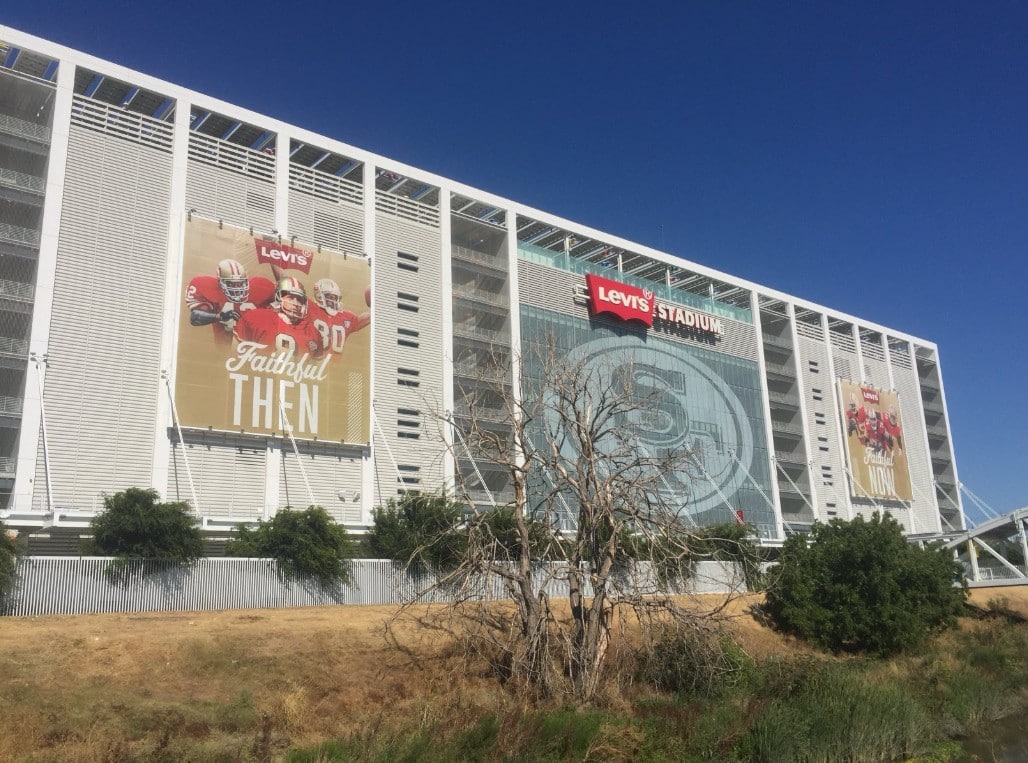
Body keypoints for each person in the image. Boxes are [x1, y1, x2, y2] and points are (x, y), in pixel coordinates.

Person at [186, 259, 276, 344]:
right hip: (226, 348)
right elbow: (195, 318)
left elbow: (283, 299)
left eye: (240, 283)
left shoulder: (261, 287)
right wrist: (219, 316)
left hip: (258, 347)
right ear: (219, 282)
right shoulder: (208, 287)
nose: (237, 288)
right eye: (231, 283)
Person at [233, 276, 322, 357]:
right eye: (290, 297)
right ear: (278, 297)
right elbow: (233, 353)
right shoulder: (257, 318)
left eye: (299, 299)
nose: (295, 303)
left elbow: (317, 366)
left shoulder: (312, 331)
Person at [307, 277, 370, 355]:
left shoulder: (345, 317)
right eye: (329, 297)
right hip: (311, 360)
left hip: (334, 363)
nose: (332, 300)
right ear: (319, 296)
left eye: (335, 297)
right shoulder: (310, 310)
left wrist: (376, 305)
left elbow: (366, 318)